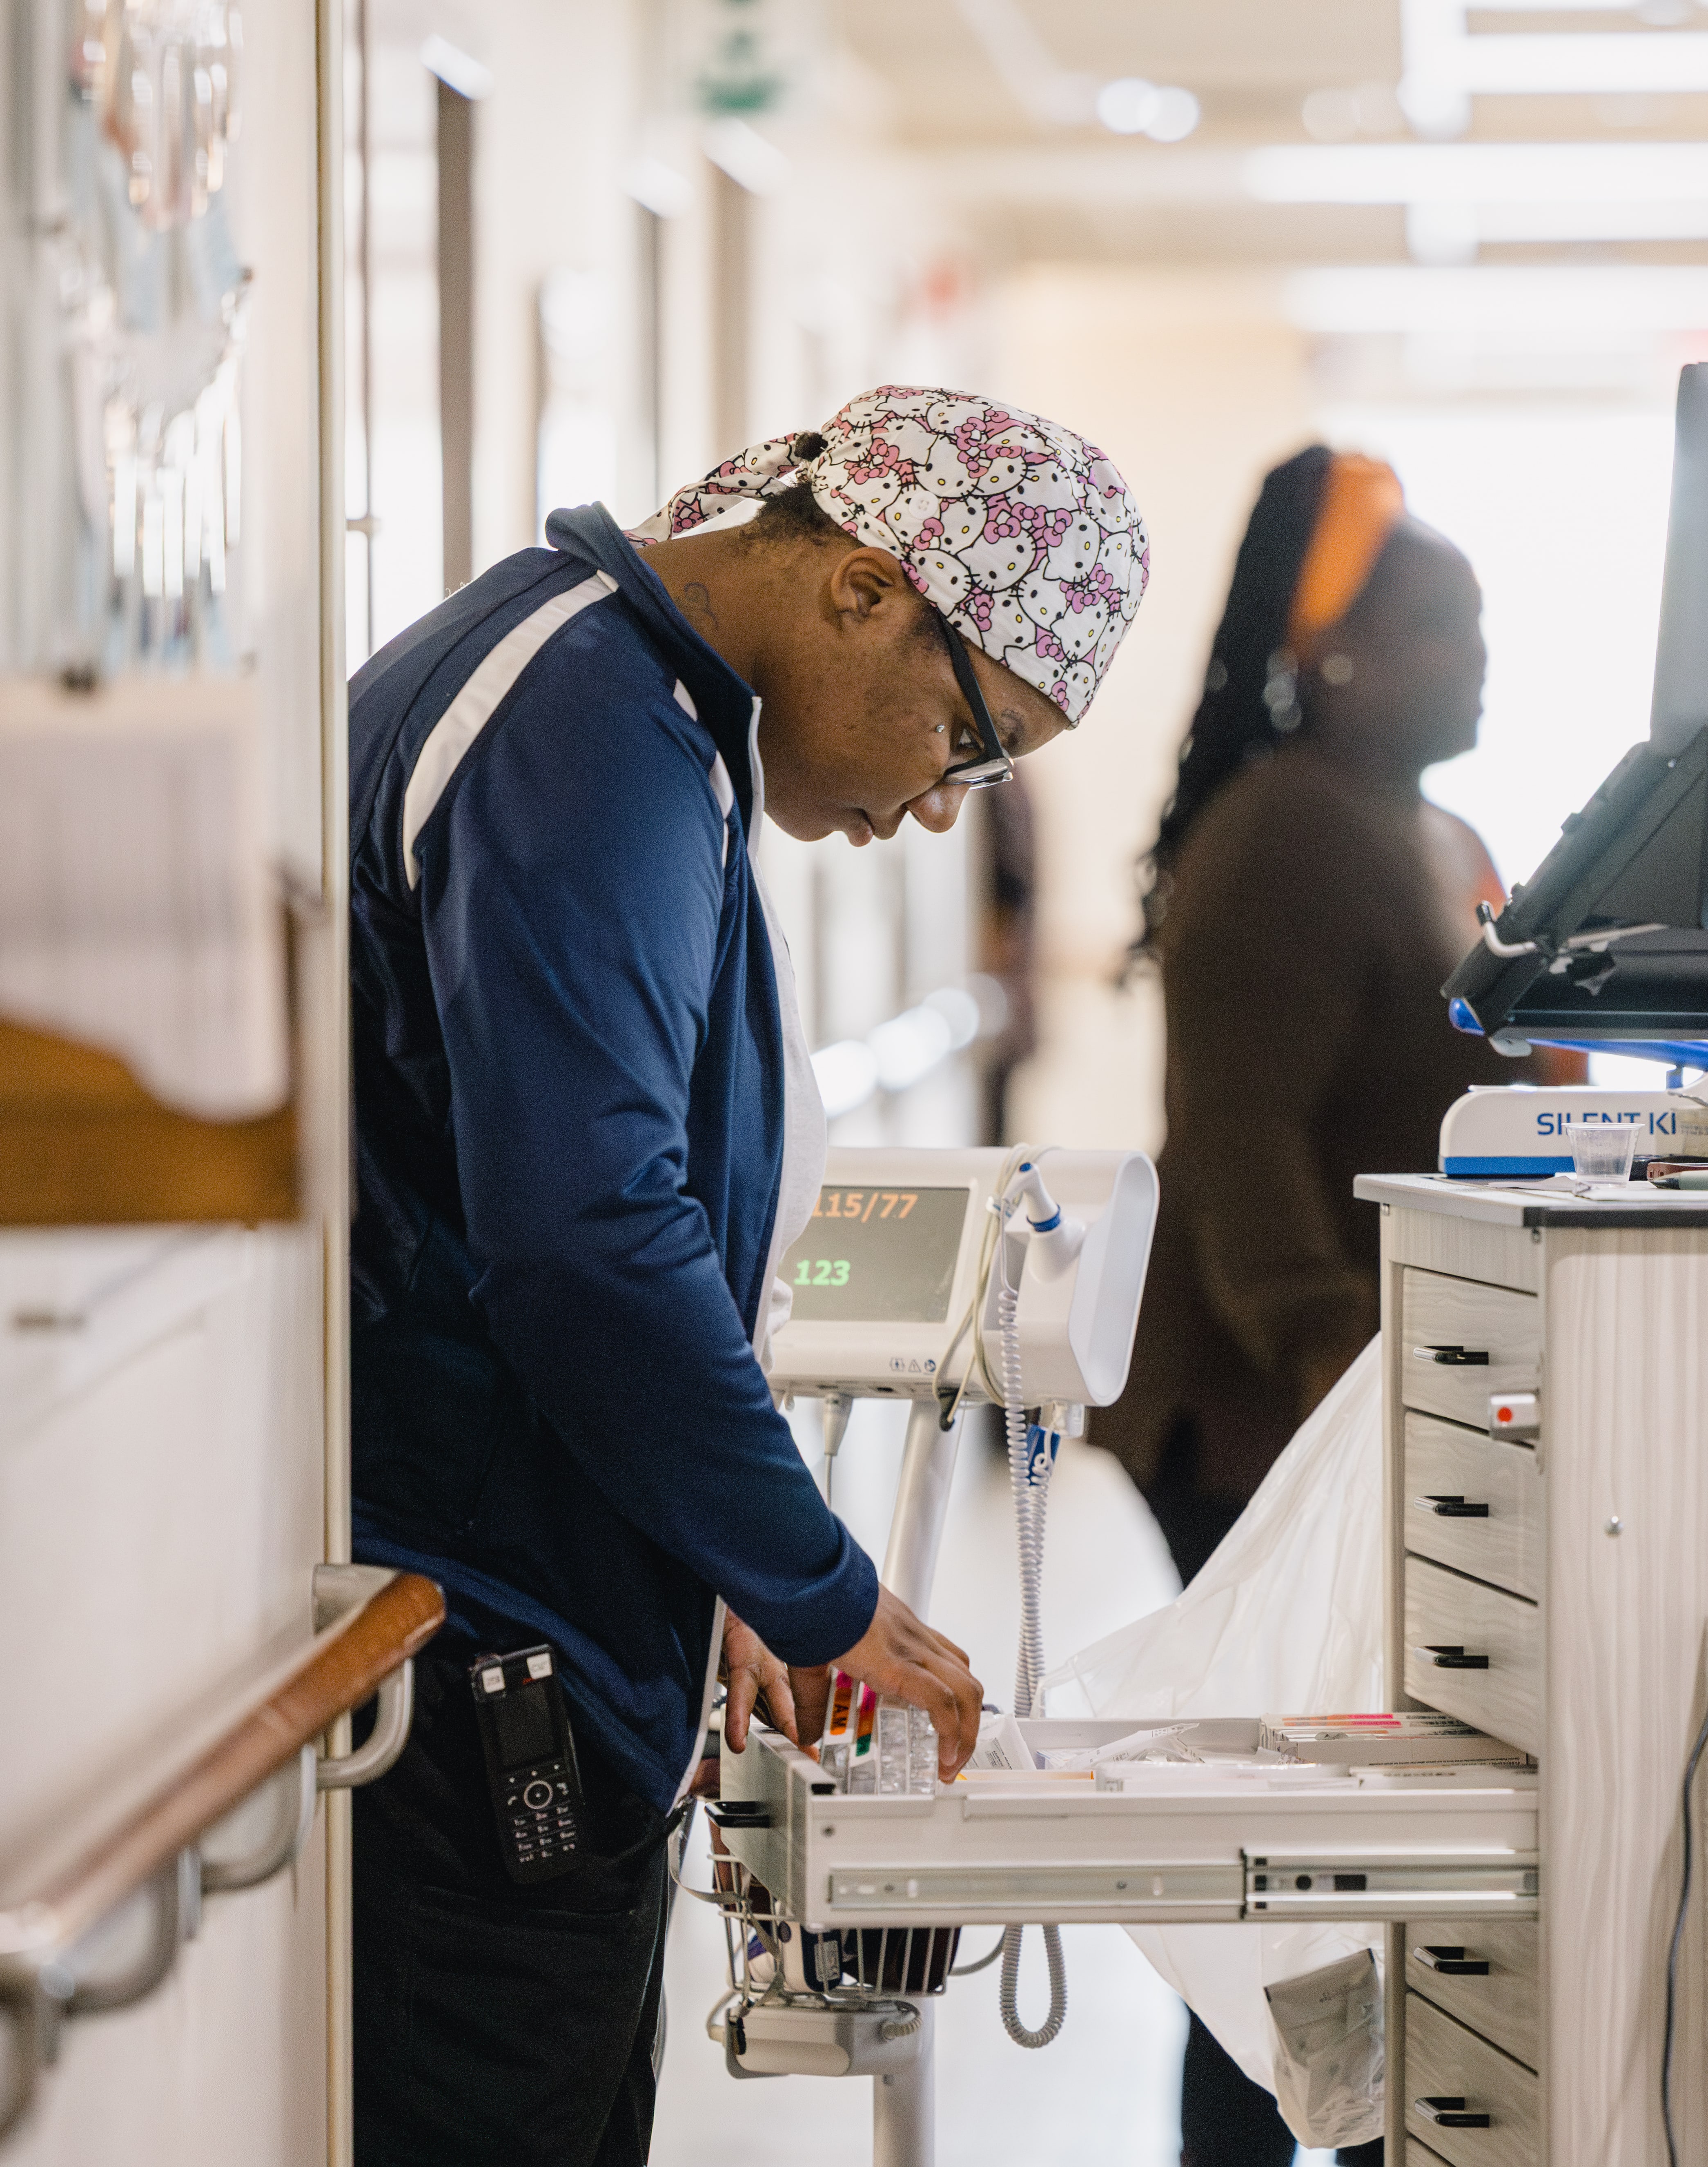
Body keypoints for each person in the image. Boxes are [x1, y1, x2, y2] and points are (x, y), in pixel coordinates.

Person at [343, 385, 1147, 2166]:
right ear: (866, 586)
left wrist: (706, 1567)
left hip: (530, 1607)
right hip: (473, 1651)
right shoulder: (584, 726)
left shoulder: (652, 718)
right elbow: (589, 1237)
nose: (942, 811)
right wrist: (811, 1585)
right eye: (970, 736)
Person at [1101, 446, 1544, 2167]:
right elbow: (1237, 1142)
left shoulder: (1436, 827)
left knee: (1366, 1855)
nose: (1480, 657)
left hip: (1387, 1406)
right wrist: (1328, 1373)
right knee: (1293, 1861)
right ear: (1341, 649)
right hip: (1271, 1412)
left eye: (1485, 622)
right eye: (1443, 626)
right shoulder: (1281, 830)